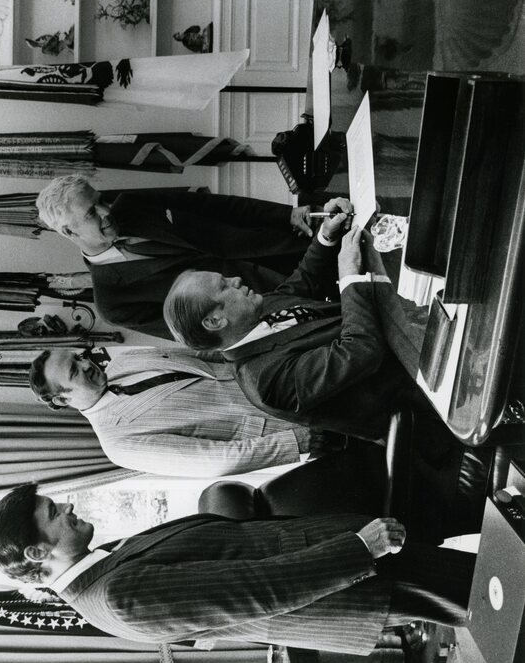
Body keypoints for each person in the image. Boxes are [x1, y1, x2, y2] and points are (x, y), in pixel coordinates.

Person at [0, 483, 476, 652]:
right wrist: (358, 550)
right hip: (351, 582)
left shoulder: (99, 566)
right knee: (493, 594)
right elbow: (256, 589)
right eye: (53, 513)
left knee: (486, 578)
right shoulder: (115, 599)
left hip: (342, 559)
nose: (67, 508)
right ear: (36, 554)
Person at [164, 199, 426, 440]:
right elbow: (360, 351)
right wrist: (348, 275)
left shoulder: (256, 311)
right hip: (418, 389)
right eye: (224, 286)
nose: (236, 279)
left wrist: (326, 234)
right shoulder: (266, 382)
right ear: (215, 321)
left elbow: (303, 282)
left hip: (407, 333)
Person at [36, 175, 313, 338]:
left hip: (290, 249)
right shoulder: (113, 302)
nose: (107, 211)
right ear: (69, 232)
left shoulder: (131, 205)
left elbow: (215, 206)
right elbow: (200, 336)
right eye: (91, 213)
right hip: (278, 304)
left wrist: (286, 215)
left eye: (101, 200)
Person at [28, 345, 338, 477]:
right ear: (61, 400)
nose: (86, 363)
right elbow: (215, 460)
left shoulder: (124, 362)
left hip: (282, 374)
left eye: (79, 357)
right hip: (291, 425)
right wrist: (299, 441)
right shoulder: (117, 443)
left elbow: (204, 354)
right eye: (74, 370)